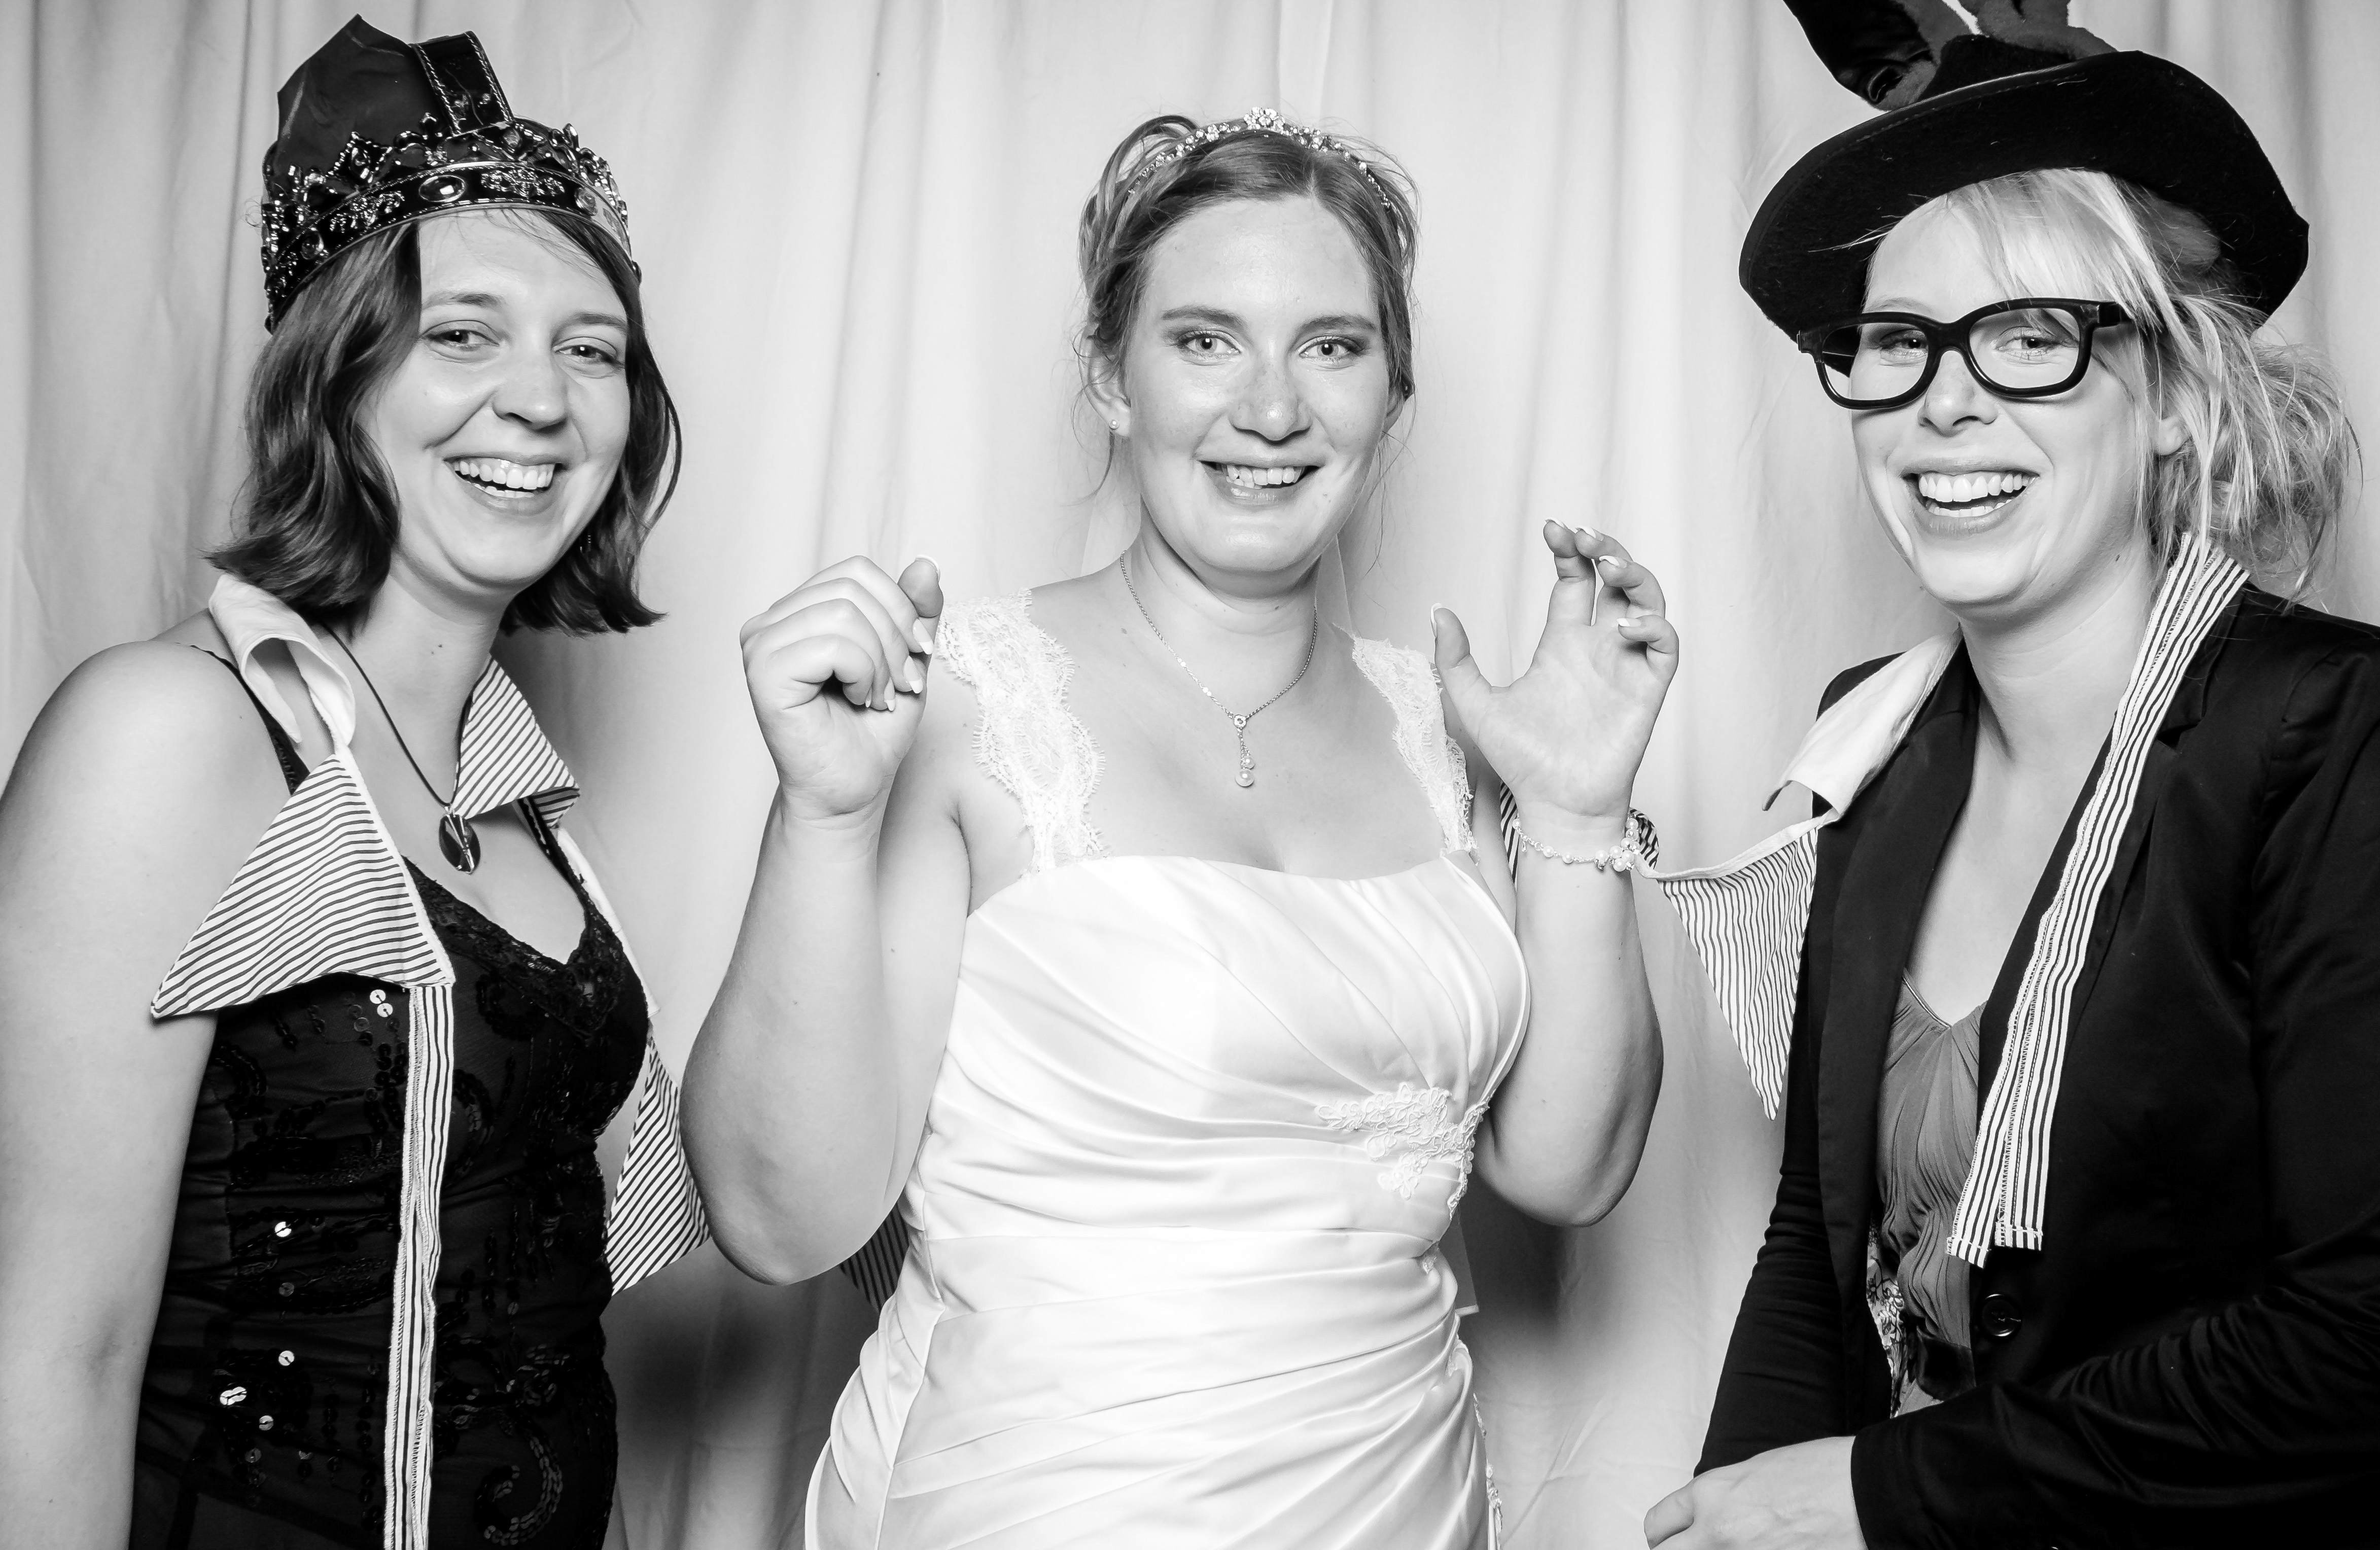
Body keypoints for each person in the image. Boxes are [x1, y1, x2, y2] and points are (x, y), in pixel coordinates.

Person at [1642, 0, 2380, 1549]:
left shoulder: (2346, 733)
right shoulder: (1869, 742)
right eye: (1896, 342)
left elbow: (2371, 1345)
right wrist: (1726, 1519)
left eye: (2030, 338)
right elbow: (1813, 1249)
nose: (1942, 404)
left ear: (2174, 393)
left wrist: (1878, 1495)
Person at [683, 108, 1678, 1547]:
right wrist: (823, 818)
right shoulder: (949, 704)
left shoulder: (1452, 724)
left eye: (1331, 347)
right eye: (1206, 341)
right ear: (1112, 374)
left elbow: (1571, 1171)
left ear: (1392, 395)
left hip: (1400, 1502)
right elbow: (781, 1225)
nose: (1271, 410)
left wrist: (1579, 810)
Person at [0, 19, 707, 1549]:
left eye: (592, 349)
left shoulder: (521, 799)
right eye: (464, 334)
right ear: (336, 377)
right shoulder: (167, 735)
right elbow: (50, 1357)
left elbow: (541, 1315)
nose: (541, 399)